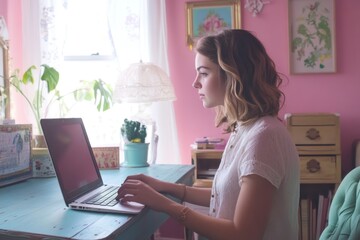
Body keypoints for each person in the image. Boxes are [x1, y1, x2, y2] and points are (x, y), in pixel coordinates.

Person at [116, 29, 300, 240]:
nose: (195, 83)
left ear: (233, 76)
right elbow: (224, 196)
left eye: (203, 73)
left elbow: (244, 234)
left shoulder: (264, 137)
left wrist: (165, 204)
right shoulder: (245, 128)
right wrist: (164, 187)